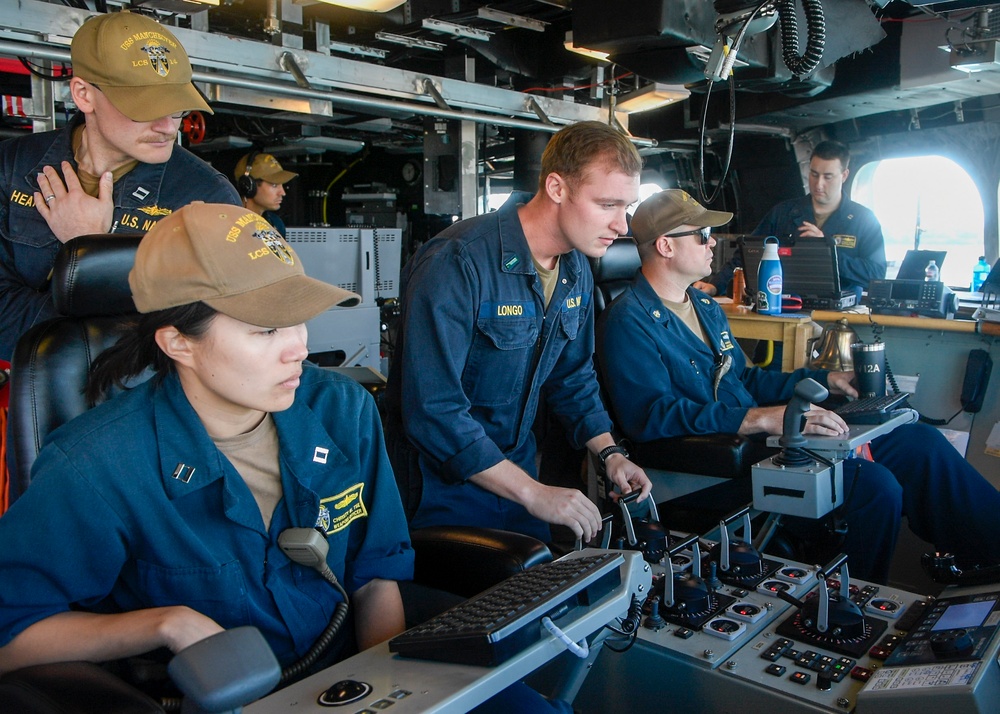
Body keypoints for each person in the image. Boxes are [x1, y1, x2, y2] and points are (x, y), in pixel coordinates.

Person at [0, 202, 414, 677]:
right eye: (266, 330)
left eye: (299, 318)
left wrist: (389, 693)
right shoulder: (96, 463)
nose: (300, 347)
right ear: (178, 343)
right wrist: (162, 624)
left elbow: (376, 577)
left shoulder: (342, 409)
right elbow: (10, 636)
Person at [595, 189, 1000, 584]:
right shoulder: (628, 321)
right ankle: (857, 609)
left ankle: (992, 557)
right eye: (701, 235)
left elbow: (746, 378)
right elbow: (650, 417)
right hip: (709, 464)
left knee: (920, 443)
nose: (712, 242)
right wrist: (758, 420)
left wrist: (827, 381)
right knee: (874, 487)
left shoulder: (702, 306)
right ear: (665, 246)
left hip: (759, 439)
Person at [385, 120, 652, 546]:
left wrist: (609, 453)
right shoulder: (458, 261)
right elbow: (433, 409)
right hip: (441, 487)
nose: (622, 226)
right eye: (608, 205)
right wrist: (534, 493)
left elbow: (572, 377)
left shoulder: (575, 267)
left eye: (627, 207)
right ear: (557, 188)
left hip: (518, 477)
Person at [0, 11, 240, 361]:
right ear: (84, 94)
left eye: (177, 109)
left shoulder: (206, 198)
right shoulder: (11, 165)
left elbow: (200, 335)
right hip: (36, 394)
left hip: (141, 400)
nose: (168, 128)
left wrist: (91, 249)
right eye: (146, 108)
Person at [696, 140, 886, 298]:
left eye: (828, 177)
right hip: (786, 308)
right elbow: (746, 255)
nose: (819, 184)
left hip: (837, 316)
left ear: (844, 175)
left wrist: (826, 251)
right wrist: (715, 285)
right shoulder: (783, 213)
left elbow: (876, 275)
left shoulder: (864, 220)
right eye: (814, 174)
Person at [234, 152, 298, 237]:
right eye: (274, 185)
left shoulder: (276, 224)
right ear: (249, 186)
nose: (282, 193)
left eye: (282, 185)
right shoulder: (227, 225)